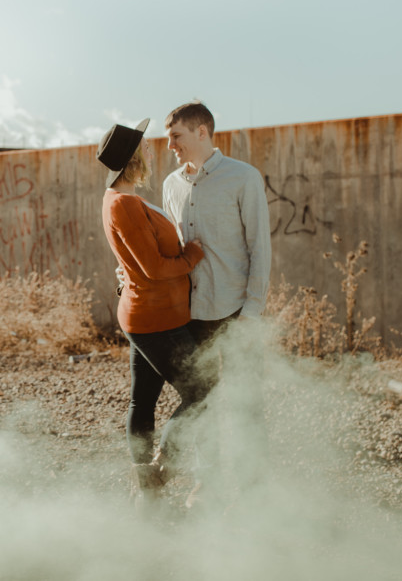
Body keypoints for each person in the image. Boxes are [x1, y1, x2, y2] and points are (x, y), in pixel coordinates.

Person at [96, 118, 206, 507]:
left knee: (142, 400)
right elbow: (154, 268)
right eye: (141, 150)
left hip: (146, 314)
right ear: (131, 160)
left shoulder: (121, 198)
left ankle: (146, 489)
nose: (148, 154)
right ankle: (161, 469)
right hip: (156, 319)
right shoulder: (124, 203)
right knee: (202, 391)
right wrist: (193, 254)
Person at [161, 100, 271, 346]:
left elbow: (260, 247)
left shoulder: (244, 177)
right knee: (200, 386)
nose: (170, 146)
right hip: (189, 313)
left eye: (176, 136)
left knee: (243, 385)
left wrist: (252, 312)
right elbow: (170, 247)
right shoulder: (170, 185)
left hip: (236, 310)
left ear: (201, 132)